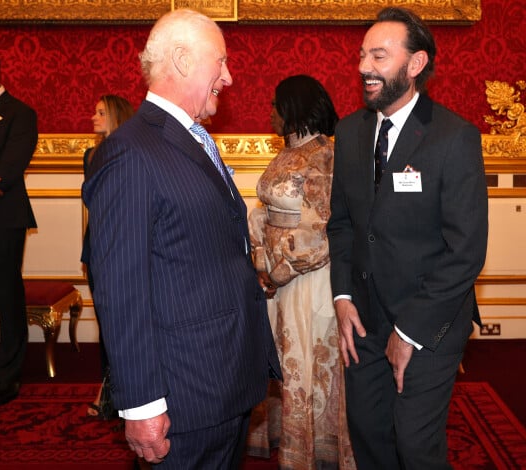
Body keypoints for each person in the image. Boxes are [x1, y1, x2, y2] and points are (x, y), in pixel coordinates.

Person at [81, 9, 280, 469]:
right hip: (182, 397)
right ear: (182, 60)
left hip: (221, 383)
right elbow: (121, 290)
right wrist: (144, 404)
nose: (228, 78)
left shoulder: (187, 139)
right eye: (221, 63)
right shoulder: (131, 152)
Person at [326, 7, 488, 470]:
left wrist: (409, 331)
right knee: (370, 439)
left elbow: (466, 252)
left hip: (429, 323)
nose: (363, 67)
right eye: (362, 55)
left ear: (415, 65)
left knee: (415, 446)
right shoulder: (350, 131)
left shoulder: (454, 137)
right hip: (363, 322)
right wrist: (341, 296)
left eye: (379, 56)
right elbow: (342, 225)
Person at [247, 75, 355, 469]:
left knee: (309, 366)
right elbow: (263, 214)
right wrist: (261, 262)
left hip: (310, 281)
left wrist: (277, 271)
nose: (271, 113)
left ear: (295, 106)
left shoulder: (324, 154)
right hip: (278, 281)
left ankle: (317, 453)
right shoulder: (288, 152)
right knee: (284, 363)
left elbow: (322, 231)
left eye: (276, 105)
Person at [82, 94, 134, 419]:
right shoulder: (90, 155)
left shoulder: (132, 153)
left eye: (100, 112)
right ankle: (109, 393)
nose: (93, 117)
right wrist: (87, 252)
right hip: (97, 246)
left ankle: (124, 392)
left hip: (123, 247)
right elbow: (91, 210)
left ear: (115, 116)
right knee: (104, 322)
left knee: (123, 323)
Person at [0, 59, 38, 406]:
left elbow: (8, 170)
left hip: (4, 219)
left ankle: (7, 376)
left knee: (6, 295)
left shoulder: (20, 113)